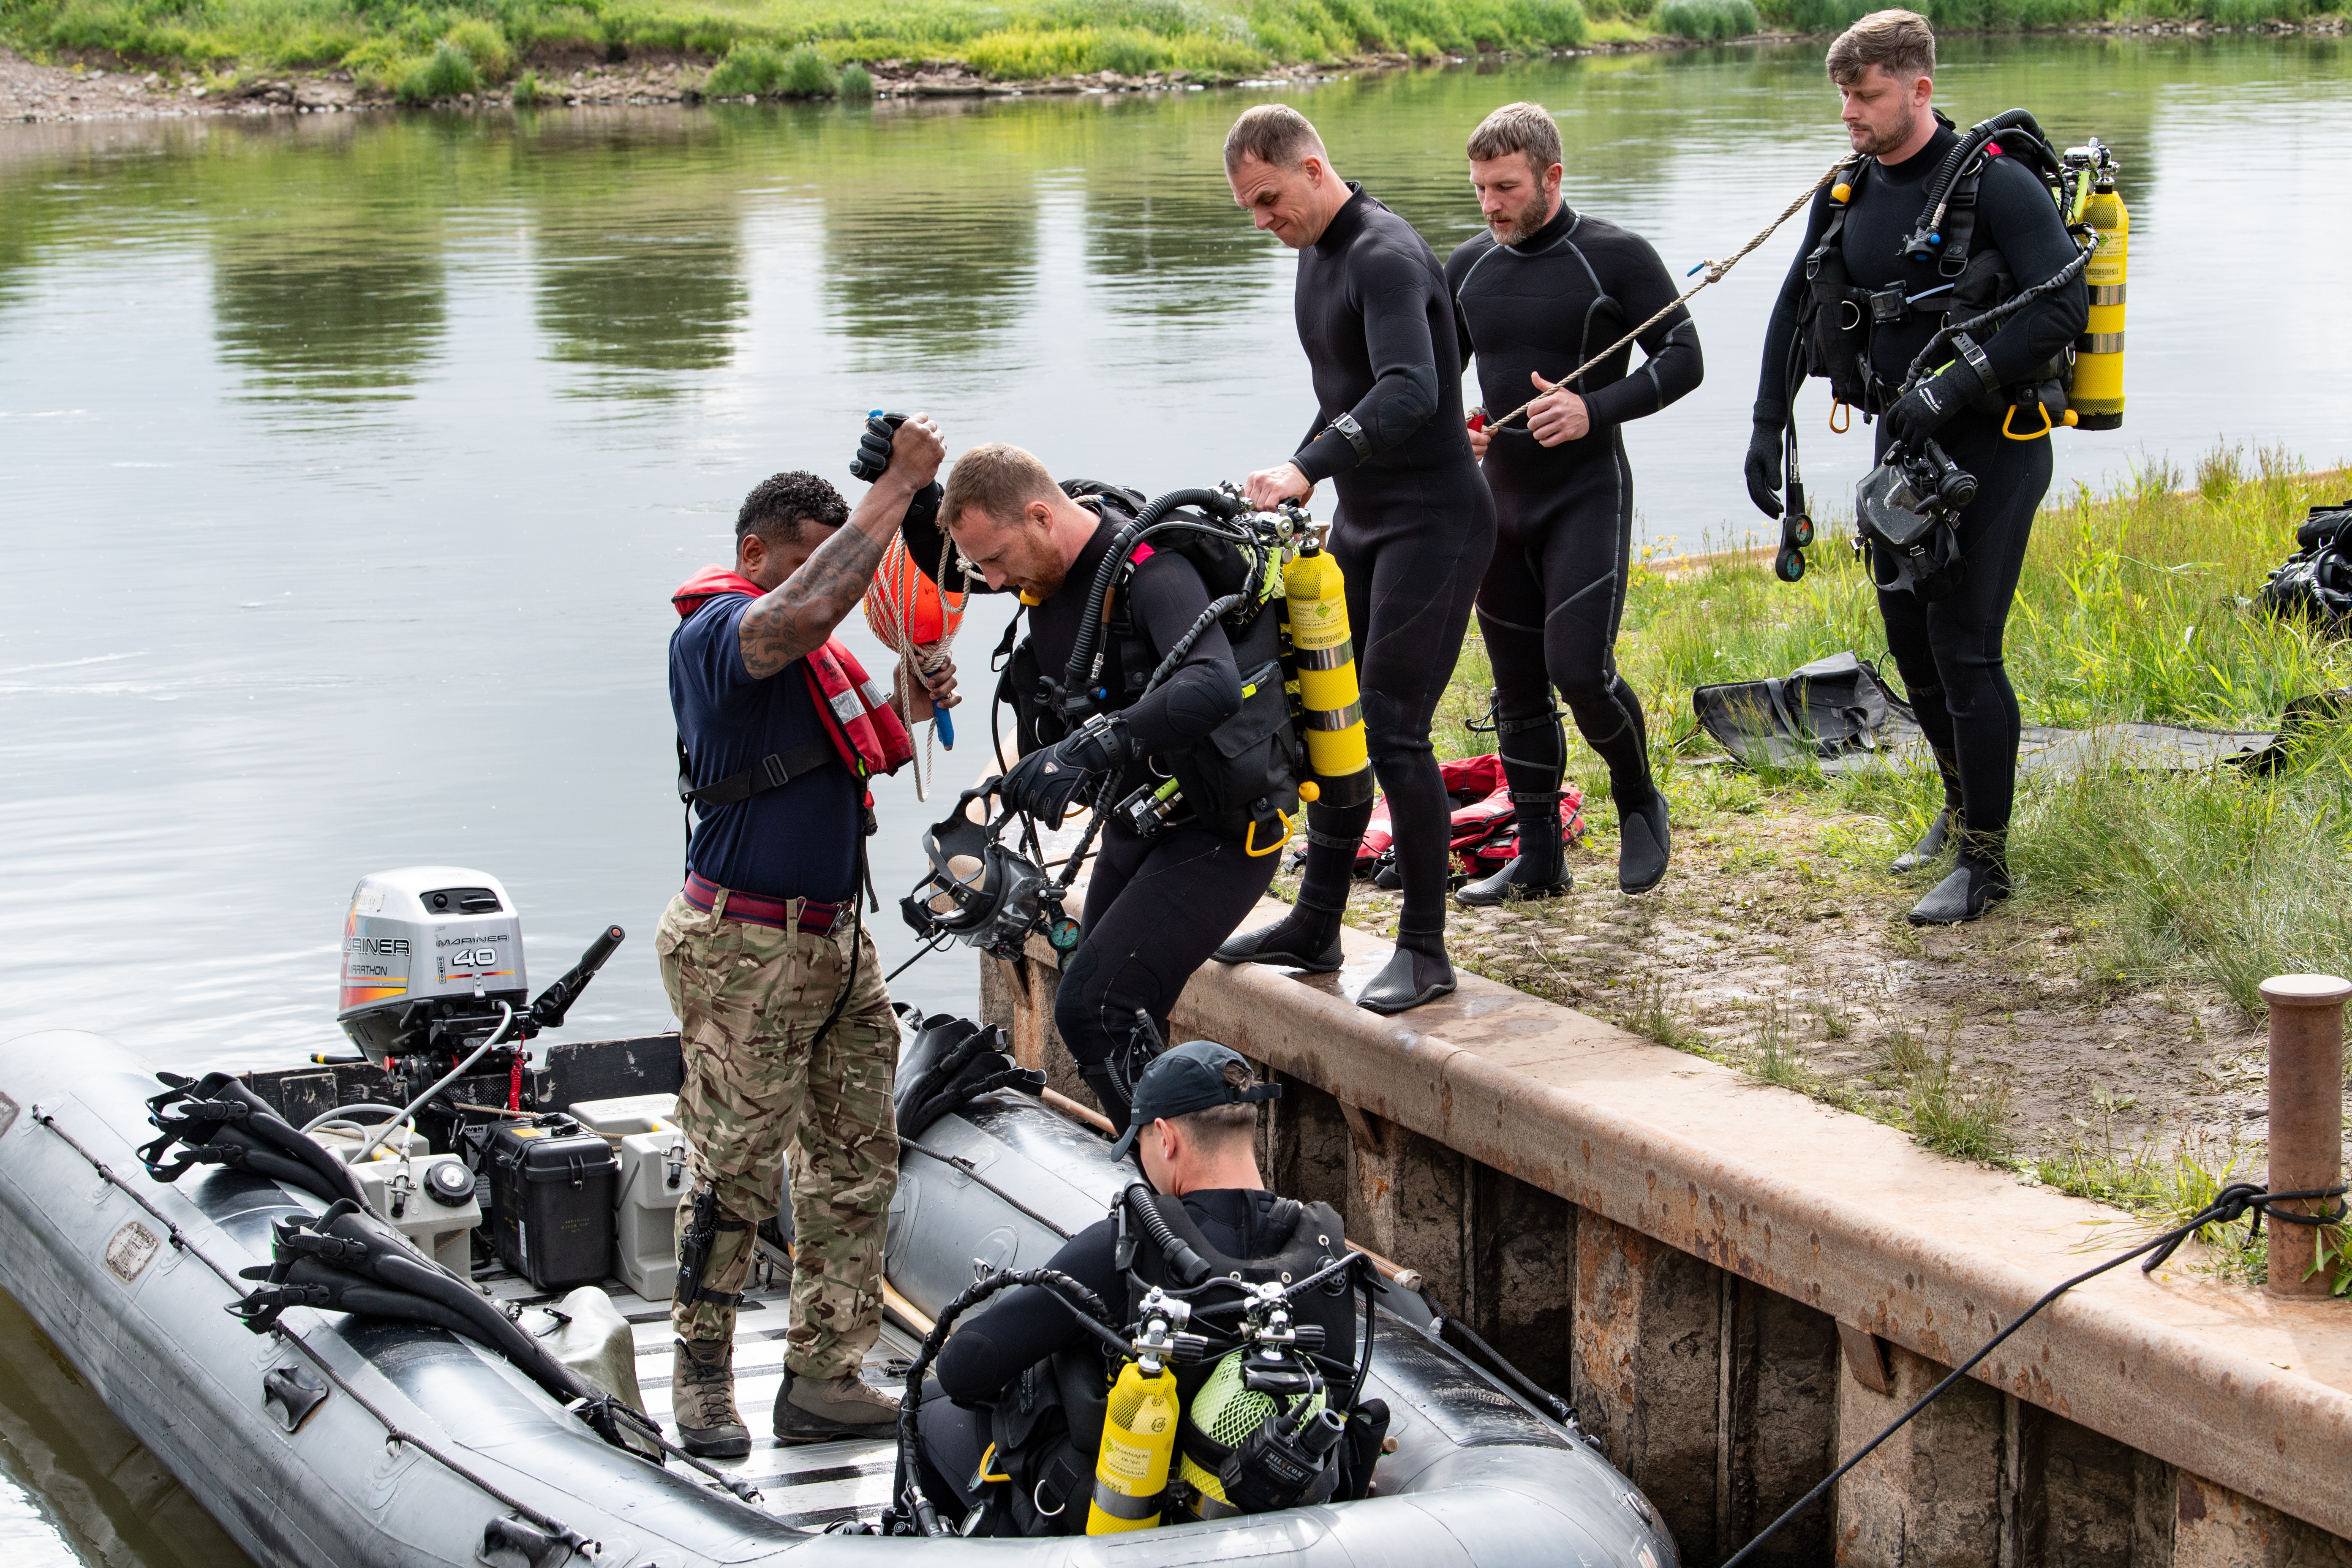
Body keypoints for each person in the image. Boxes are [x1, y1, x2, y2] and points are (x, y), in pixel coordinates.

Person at [659, 416, 959, 1456]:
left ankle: (823, 1375)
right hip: (743, 946)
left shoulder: (813, 665)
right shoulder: (716, 638)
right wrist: (897, 491)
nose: (831, 589)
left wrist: (911, 694)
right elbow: (806, 609)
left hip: (836, 946)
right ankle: (700, 1378)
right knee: (734, 1169)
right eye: (805, 561)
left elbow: (826, 751)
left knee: (854, 1162)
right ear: (755, 556)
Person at [1746, 10, 2086, 925]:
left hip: (1994, 446)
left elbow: (2064, 307)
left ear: (1919, 88)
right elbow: (1793, 304)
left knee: (1965, 647)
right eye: (1844, 97)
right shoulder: (1849, 190)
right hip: (1901, 453)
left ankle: (1988, 863)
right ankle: (1960, 805)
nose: (1850, 113)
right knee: (1908, 641)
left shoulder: (1998, 186)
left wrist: (1951, 386)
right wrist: (1766, 424)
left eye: (1867, 95)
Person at [912, 444, 1300, 1127]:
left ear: (1038, 515)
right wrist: (911, 491)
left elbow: (1211, 685)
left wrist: (1087, 747)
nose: (993, 579)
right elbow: (947, 559)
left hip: (1221, 831)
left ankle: (1189, 1194)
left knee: (1095, 1007)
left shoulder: (1149, 569)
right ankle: (1170, 1181)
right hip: (1144, 819)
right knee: (1117, 1003)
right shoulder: (1047, 566)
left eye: (997, 558)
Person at [1207, 105, 1496, 1015]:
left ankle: (1425, 948)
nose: (1261, 220)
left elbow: (1414, 387)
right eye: (1248, 208)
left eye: (1268, 198)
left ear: (1314, 166)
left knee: (1397, 730)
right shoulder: (1317, 254)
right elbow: (1352, 394)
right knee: (1332, 718)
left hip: (1435, 523)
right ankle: (1317, 922)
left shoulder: (1381, 251)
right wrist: (1297, 476)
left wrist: (1309, 464)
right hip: (1366, 523)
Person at [913, 1042, 1369, 1535]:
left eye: (1141, 1143)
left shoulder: (1130, 1246)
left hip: (1126, 1521)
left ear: (1166, 1138)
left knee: (926, 1406)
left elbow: (966, 1367)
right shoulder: (1325, 1258)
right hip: (1280, 1517)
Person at [1446, 101, 1702, 904]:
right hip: (1502, 502)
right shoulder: (1467, 268)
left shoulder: (1613, 258)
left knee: (1578, 670)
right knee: (1516, 683)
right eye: (1481, 188)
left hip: (1585, 492)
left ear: (1551, 178)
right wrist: (1457, 436)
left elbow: (1684, 356)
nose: (1490, 205)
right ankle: (1540, 858)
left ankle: (1637, 800)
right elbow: (1428, 380)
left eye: (1507, 188)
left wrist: (1595, 407)